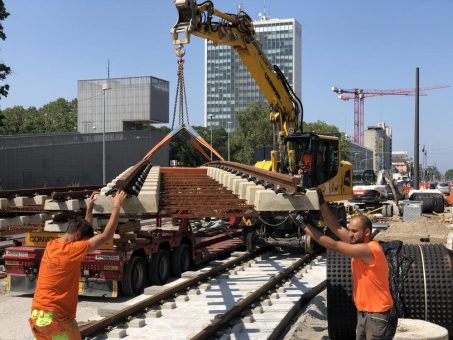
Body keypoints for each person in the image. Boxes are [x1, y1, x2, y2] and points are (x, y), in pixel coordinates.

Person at [292, 190, 397, 340]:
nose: (350, 234)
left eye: (354, 231)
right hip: (364, 313)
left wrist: (304, 225)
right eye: (350, 230)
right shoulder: (358, 243)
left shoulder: (370, 249)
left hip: (379, 317)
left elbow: (334, 245)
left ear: (367, 232)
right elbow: (336, 227)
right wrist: (322, 203)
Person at [29, 190, 127, 340]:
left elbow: (83, 232)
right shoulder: (73, 250)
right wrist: (116, 206)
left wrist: (89, 208)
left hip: (38, 318)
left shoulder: (52, 245)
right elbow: (106, 236)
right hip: (57, 320)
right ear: (78, 237)